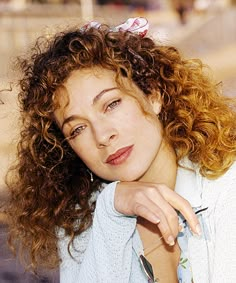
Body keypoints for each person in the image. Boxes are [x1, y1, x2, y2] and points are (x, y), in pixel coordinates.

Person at [5, 17, 236, 282]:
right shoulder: (80, 224)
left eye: (111, 104)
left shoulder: (227, 187)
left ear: (153, 95)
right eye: (77, 129)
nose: (102, 136)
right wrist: (111, 213)